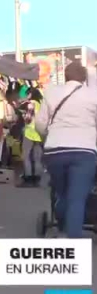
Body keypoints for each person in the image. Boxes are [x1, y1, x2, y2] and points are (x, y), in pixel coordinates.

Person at [35, 62, 97, 238]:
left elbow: (40, 124)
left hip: (55, 151)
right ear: (84, 78)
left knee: (61, 193)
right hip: (84, 151)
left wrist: (48, 136)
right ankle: (73, 239)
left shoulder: (51, 93)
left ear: (66, 76)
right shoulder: (93, 95)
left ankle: (62, 226)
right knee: (77, 198)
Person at [20, 87, 44, 187]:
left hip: (29, 133)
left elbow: (28, 118)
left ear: (30, 94)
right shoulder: (41, 104)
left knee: (26, 156)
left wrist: (23, 116)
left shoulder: (30, 104)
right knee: (37, 157)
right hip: (39, 133)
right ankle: (37, 178)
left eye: (27, 94)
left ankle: (28, 177)